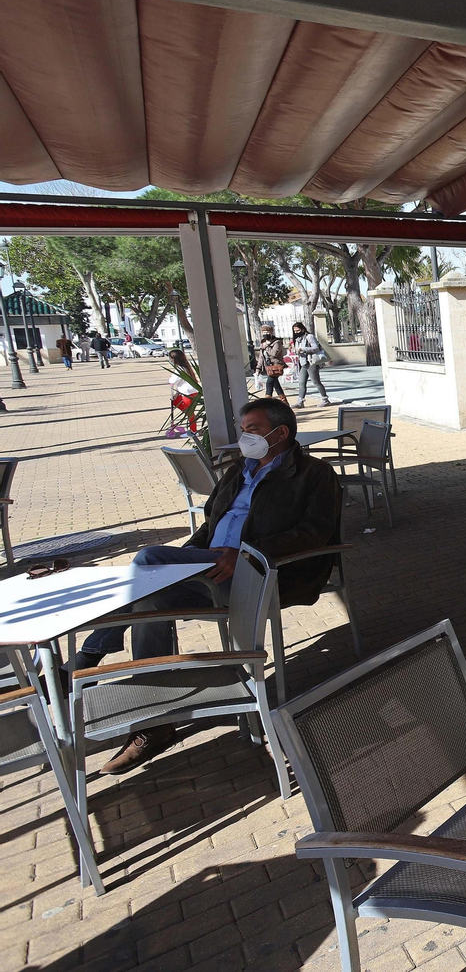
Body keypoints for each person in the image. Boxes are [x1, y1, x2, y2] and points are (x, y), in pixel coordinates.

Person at [69, 399, 341, 773]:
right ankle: (156, 721)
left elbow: (315, 533)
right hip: (212, 569)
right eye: (243, 428)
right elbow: (210, 525)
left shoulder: (314, 474)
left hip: (260, 573)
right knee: (149, 599)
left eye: (253, 429)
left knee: (147, 560)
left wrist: (246, 553)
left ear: (281, 433)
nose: (244, 437)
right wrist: (186, 559)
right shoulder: (237, 471)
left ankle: (88, 657)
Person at [290, 320, 333, 407]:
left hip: (311, 362)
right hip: (303, 363)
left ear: (302, 329)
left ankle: (325, 399)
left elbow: (316, 348)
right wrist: (295, 351)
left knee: (316, 382)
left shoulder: (309, 337)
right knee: (301, 382)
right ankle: (300, 401)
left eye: (298, 330)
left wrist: (303, 349)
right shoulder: (297, 340)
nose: (296, 332)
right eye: (295, 331)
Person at [257, 323, 288, 400]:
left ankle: (267, 403)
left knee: (269, 383)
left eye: (267, 333)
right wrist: (258, 368)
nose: (265, 334)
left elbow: (274, 354)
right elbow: (261, 357)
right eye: (264, 333)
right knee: (276, 385)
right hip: (268, 367)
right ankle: (284, 403)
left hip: (276, 366)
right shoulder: (263, 343)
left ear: (271, 333)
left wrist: (266, 346)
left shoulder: (277, 342)